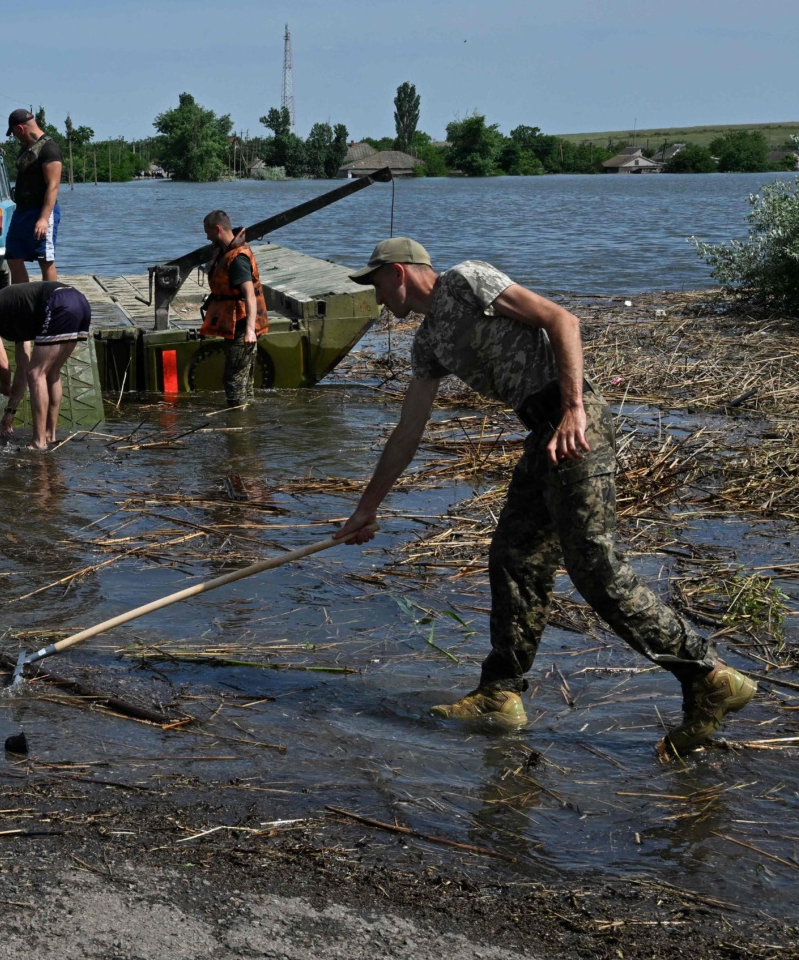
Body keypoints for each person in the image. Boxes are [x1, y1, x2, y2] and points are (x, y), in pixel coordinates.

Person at [333, 237, 754, 758]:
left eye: (374, 284)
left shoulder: (466, 280)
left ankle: (707, 674)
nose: (375, 299)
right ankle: (500, 693)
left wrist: (574, 409)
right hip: (542, 435)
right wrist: (368, 506)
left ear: (398, 273)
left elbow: (562, 321)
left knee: (595, 566)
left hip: (577, 424)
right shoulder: (428, 343)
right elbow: (407, 432)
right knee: (514, 557)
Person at [0, 281, 91, 450]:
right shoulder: (14, 314)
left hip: (59, 301)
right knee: (51, 372)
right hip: (80, 301)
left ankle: (38, 442)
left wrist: (4, 384)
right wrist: (10, 411)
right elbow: (22, 367)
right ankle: (49, 435)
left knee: (36, 374)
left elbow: (2, 363)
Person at [200, 209, 265, 406]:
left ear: (217, 229)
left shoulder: (237, 258)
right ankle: (246, 421)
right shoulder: (224, 252)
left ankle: (238, 427)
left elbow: (250, 295)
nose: (206, 236)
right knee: (244, 380)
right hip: (234, 323)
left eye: (208, 232)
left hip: (243, 325)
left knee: (234, 381)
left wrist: (250, 331)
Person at [5, 109, 62, 285]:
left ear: (21, 128)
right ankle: (22, 301)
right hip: (22, 212)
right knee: (13, 257)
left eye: (14, 133)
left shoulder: (49, 149)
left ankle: (50, 303)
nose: (14, 137)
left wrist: (44, 219)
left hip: (41, 212)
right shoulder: (26, 148)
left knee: (45, 260)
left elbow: (53, 186)